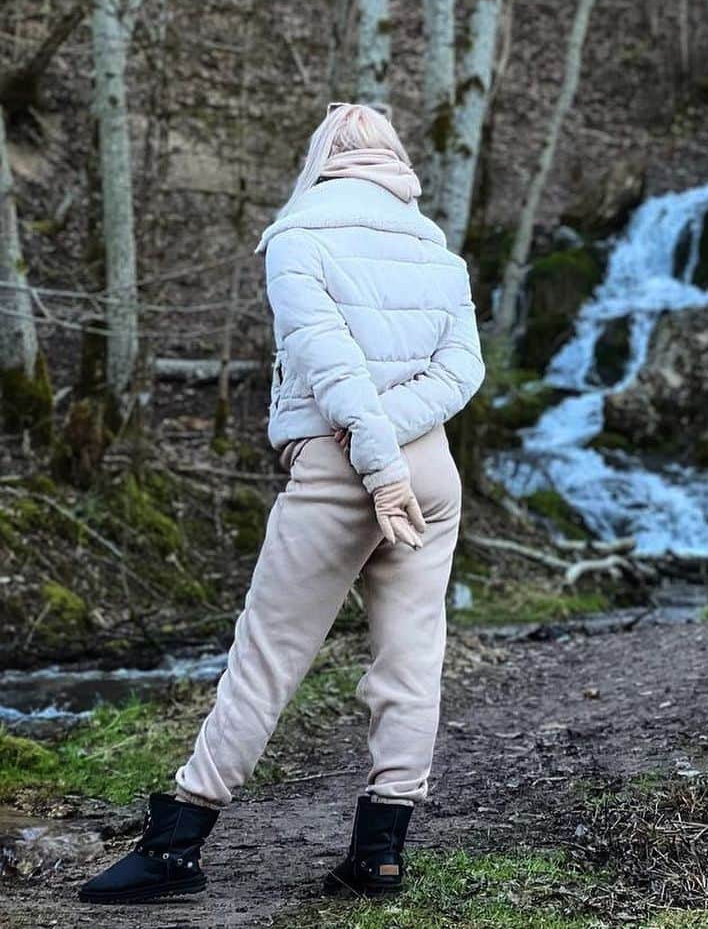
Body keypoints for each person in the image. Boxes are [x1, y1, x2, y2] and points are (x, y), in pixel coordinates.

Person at [78, 102, 485, 905]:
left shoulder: (299, 238)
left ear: (323, 159)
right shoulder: (439, 251)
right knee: (412, 661)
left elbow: (332, 369)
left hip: (341, 468)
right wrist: (400, 451)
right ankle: (380, 856)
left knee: (267, 656)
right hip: (431, 472)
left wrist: (372, 457)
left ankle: (174, 846)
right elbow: (462, 372)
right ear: (394, 161)